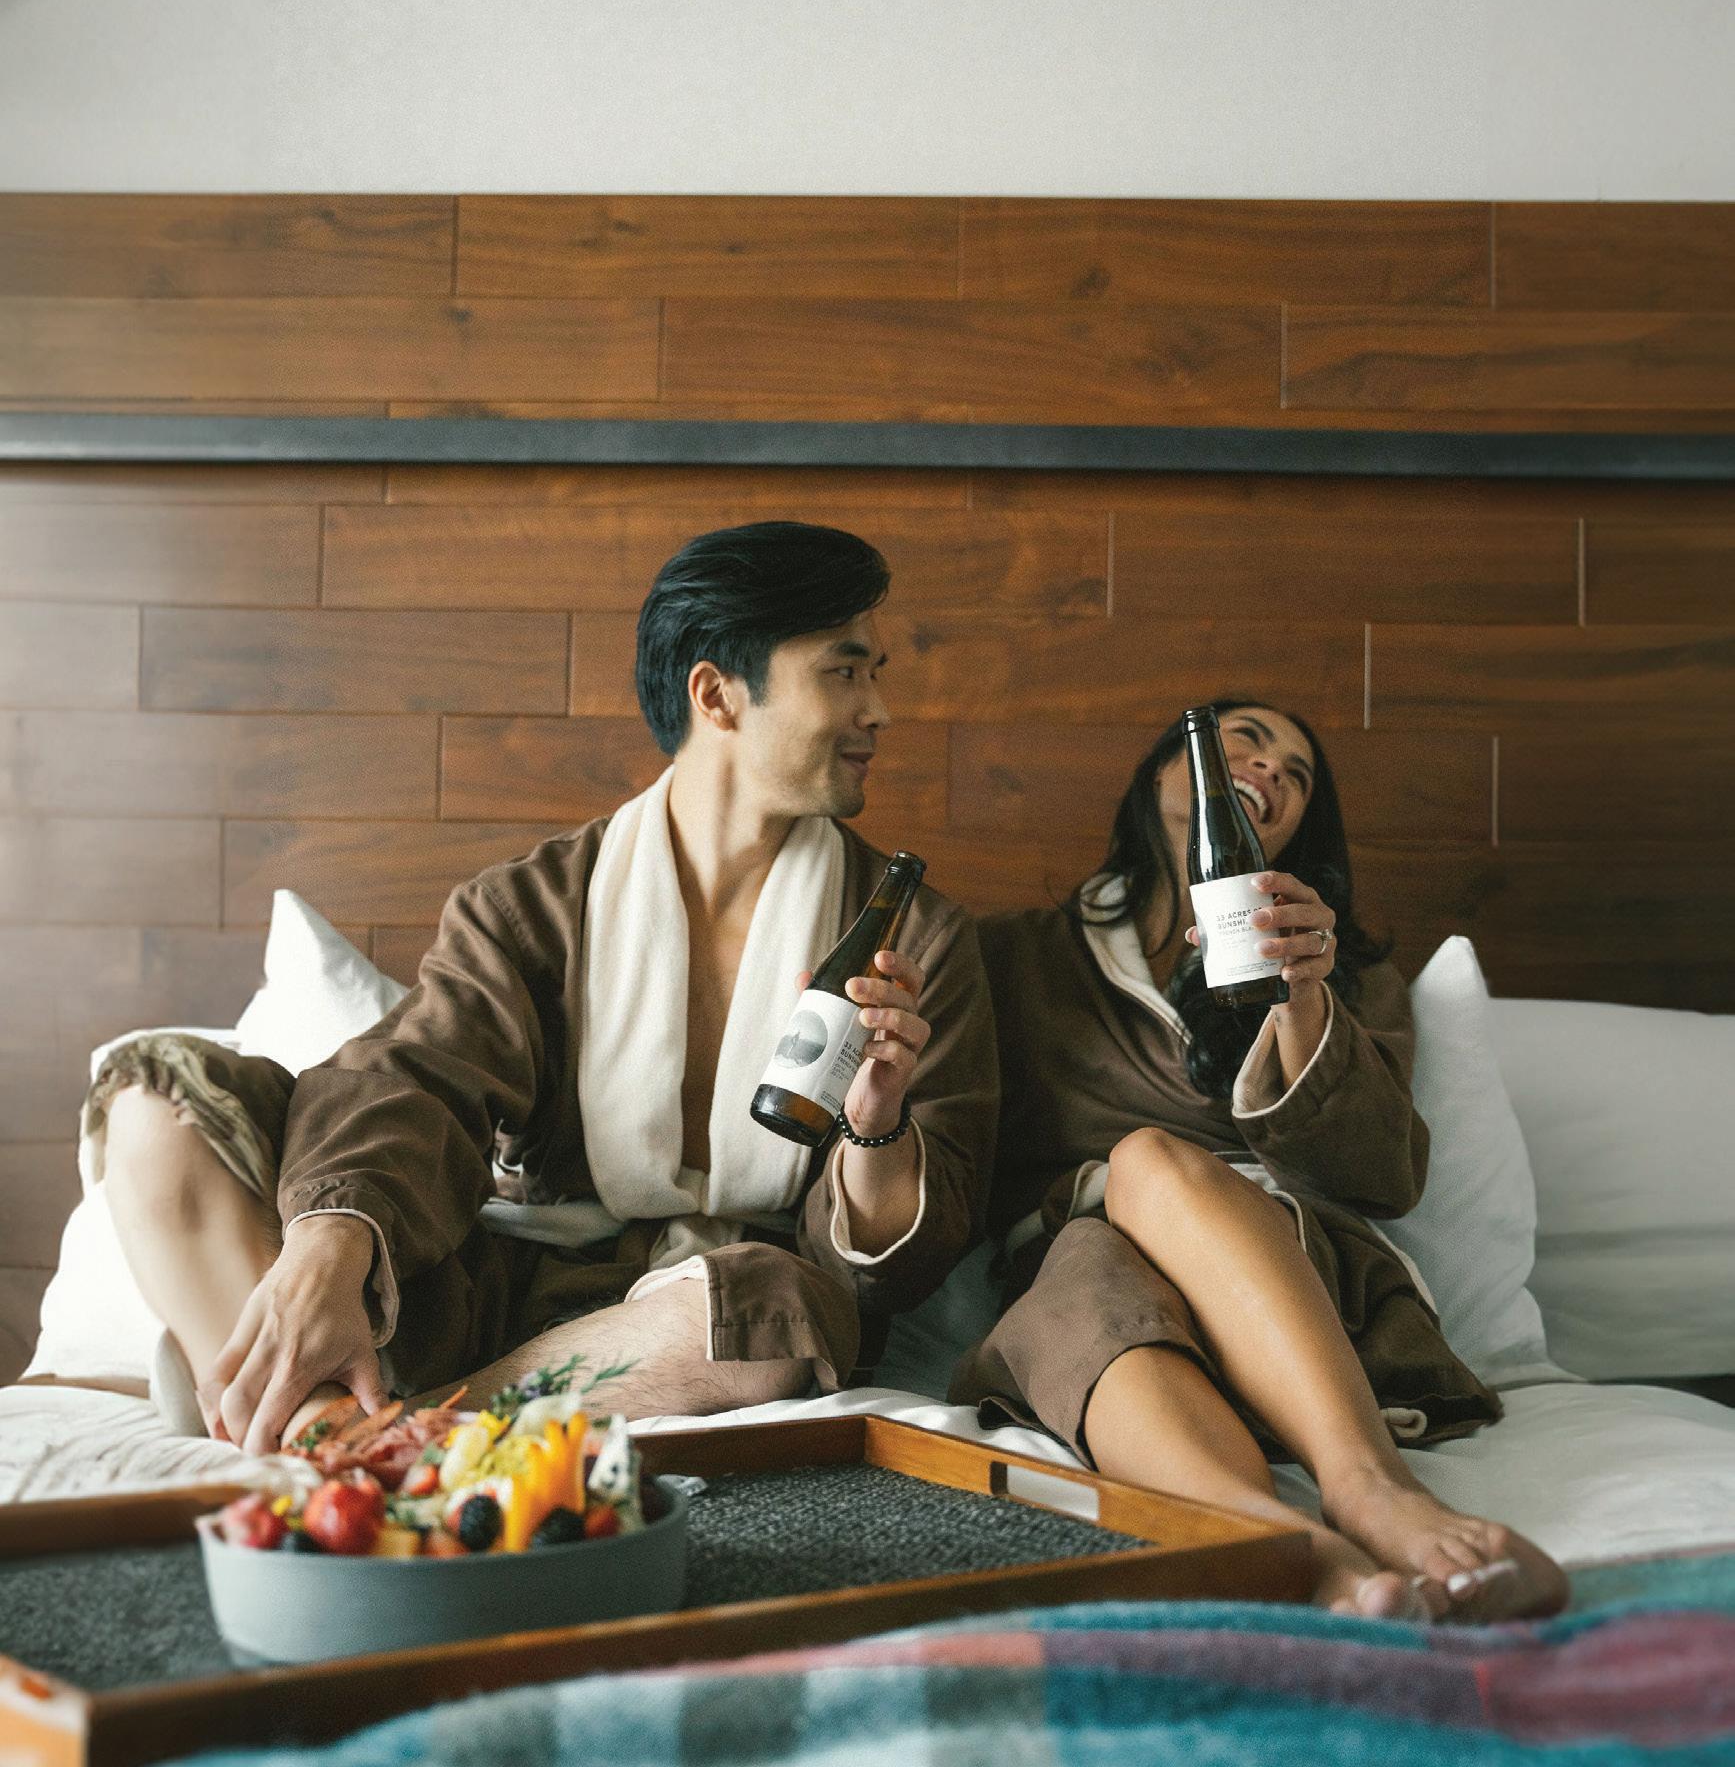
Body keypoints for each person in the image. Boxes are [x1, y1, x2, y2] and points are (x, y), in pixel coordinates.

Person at [83, 522, 998, 1457]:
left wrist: (875, 1126)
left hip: (696, 1323)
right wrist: (328, 1247)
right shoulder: (531, 906)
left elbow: (905, 1260)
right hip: (492, 1290)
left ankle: (382, 1439)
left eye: (874, 674)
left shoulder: (913, 940)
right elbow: (415, 1079)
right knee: (155, 1106)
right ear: (716, 694)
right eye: (845, 672)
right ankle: (330, 1417)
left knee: (765, 1317)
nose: (879, 709)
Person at [950, 698, 1570, 1623]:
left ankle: (1365, 1483)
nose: (1271, 766)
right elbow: (954, 1150)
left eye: (1297, 771)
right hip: (1082, 1288)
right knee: (1086, 1273)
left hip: (1294, 1280)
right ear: (1164, 771)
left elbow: (1381, 1179)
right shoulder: (1012, 955)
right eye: (1242, 737)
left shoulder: (1338, 970)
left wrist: (1303, 1001)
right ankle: (1292, 1549)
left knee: (1148, 1161)